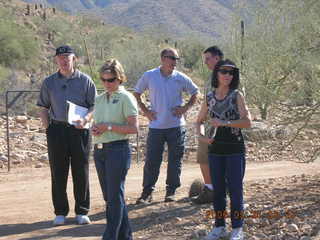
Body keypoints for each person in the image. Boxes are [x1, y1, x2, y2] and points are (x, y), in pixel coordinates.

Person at [37, 45, 96, 226]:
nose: (64, 60)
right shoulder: (49, 82)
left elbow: (94, 105)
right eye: (60, 57)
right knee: (58, 171)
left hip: (80, 131)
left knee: (81, 170)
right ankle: (60, 212)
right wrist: (48, 128)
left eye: (67, 57)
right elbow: (42, 107)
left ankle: (82, 211)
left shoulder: (85, 80)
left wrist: (85, 120)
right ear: (56, 60)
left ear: (74, 59)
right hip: (57, 130)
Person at [134, 47, 199, 203]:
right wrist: (145, 111)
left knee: (175, 160)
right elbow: (137, 92)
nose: (175, 62)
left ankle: (171, 192)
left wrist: (185, 108)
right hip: (156, 127)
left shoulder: (180, 77)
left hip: (176, 127)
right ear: (163, 58)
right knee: (152, 160)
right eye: (172, 58)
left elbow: (195, 92)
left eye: (177, 59)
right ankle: (147, 193)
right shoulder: (150, 75)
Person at [196, 59, 251, 240]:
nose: (228, 75)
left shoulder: (237, 95)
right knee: (218, 191)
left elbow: (247, 122)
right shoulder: (209, 97)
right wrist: (202, 137)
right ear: (217, 74)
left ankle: (237, 229)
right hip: (215, 150)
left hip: (235, 149)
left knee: (235, 190)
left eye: (231, 72)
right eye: (224, 71)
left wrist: (225, 123)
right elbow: (198, 121)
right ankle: (219, 226)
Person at [92, 59, 138, 240]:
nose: (107, 83)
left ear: (119, 78)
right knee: (111, 196)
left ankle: (109, 236)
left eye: (110, 80)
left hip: (118, 150)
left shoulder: (126, 98)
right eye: (103, 80)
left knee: (113, 196)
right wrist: (96, 129)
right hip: (100, 149)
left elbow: (134, 128)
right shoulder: (100, 99)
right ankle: (125, 236)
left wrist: (108, 127)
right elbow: (99, 124)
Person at [192, 46, 224, 204]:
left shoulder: (230, 77)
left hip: (226, 126)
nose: (205, 62)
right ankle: (210, 188)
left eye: (208, 59)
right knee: (204, 154)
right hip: (211, 125)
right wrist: (200, 126)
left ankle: (220, 188)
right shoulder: (210, 81)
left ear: (217, 58)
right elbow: (206, 105)